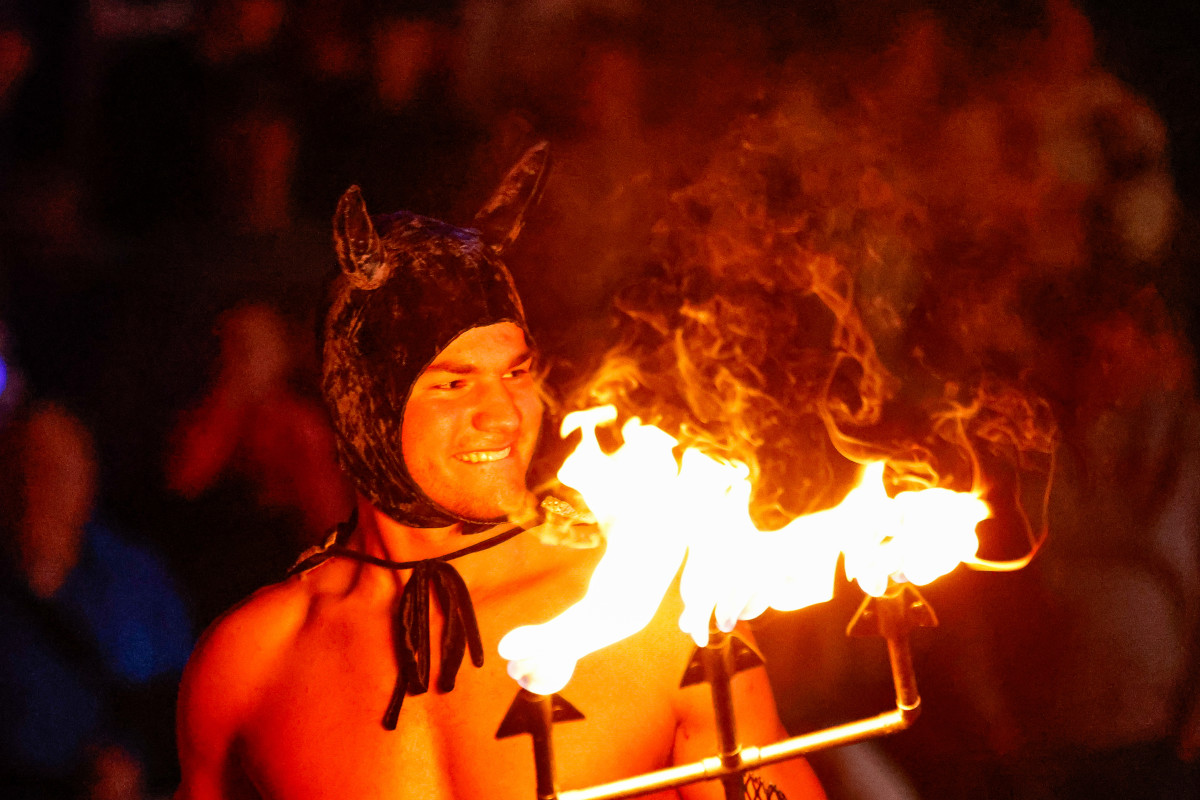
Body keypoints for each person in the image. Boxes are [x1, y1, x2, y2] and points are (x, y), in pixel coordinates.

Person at [173, 142, 826, 800]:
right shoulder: (251, 662)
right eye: (453, 385)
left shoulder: (656, 612)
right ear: (365, 405)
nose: (504, 415)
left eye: (515, 373)